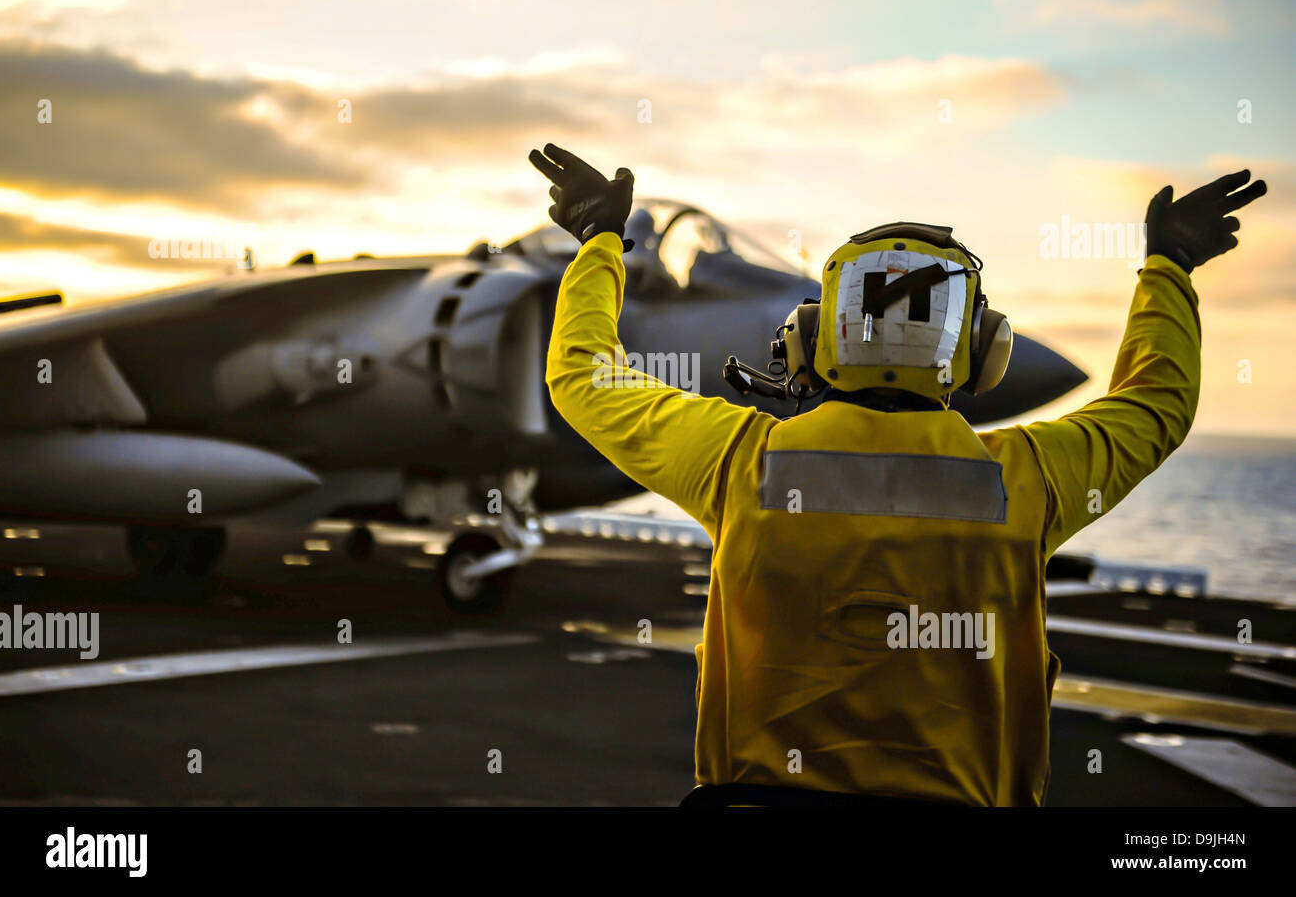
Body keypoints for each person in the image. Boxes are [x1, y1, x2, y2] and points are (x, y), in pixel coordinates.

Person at [529, 143, 1266, 807]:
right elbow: (1155, 404)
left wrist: (600, 241)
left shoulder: (739, 462)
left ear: (813, 340)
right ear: (982, 351)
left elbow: (584, 377)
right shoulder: (1031, 478)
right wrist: (1168, 265)